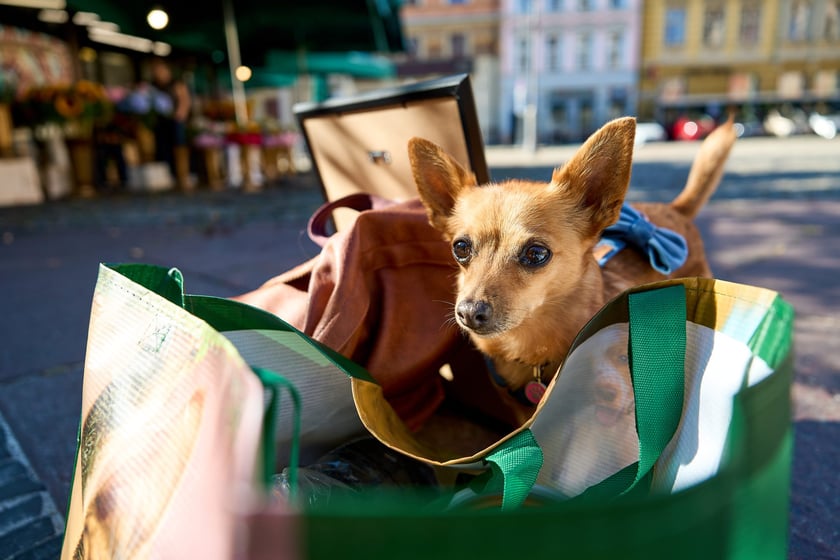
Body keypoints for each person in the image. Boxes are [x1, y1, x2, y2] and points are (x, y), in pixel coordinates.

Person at [149, 57, 192, 190]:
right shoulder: (153, 86)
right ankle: (171, 177)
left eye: (160, 70)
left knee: (179, 147)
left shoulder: (176, 83)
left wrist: (180, 114)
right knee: (164, 148)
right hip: (161, 121)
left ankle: (183, 176)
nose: (158, 73)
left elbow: (184, 100)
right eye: (155, 70)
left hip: (176, 119)